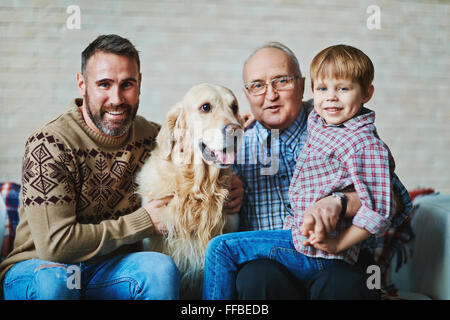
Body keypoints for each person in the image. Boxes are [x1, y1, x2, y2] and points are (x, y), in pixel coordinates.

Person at [207, 42, 412, 300]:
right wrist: (224, 193)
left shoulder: (335, 125)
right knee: (254, 277)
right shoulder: (236, 143)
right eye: (257, 86)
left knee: (342, 283)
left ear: (304, 86)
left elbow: (389, 201)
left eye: (281, 81)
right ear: (246, 94)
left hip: (335, 258)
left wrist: (339, 201)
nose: (270, 95)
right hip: (271, 260)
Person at [0, 34, 181, 300]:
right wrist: (143, 221)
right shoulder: (50, 143)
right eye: (104, 84)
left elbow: (201, 147)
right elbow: (56, 246)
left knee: (159, 269)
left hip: (109, 270)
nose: (116, 98)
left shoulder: (152, 136)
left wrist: (232, 172)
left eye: (127, 84)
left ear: (140, 83)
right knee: (56, 282)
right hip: (39, 267)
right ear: (82, 85)